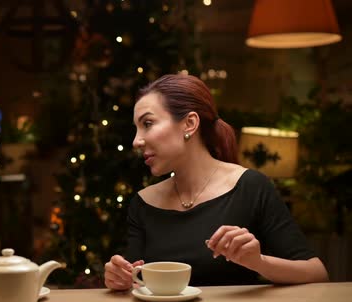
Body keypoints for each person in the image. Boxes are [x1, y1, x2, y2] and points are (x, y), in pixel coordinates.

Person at [104, 74, 329, 290]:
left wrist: (257, 261)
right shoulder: (142, 204)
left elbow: (317, 274)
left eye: (148, 123)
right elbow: (133, 280)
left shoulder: (251, 187)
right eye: (136, 128)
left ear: (189, 124)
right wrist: (118, 278)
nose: (136, 141)